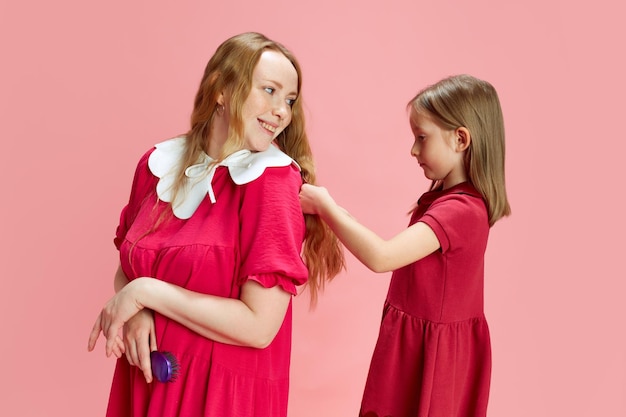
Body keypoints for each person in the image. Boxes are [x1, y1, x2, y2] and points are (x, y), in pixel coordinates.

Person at [87, 32, 344, 417]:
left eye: (289, 100)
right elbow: (130, 266)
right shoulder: (157, 165)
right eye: (269, 91)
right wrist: (137, 309)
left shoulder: (272, 183)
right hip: (146, 383)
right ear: (221, 90)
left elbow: (259, 327)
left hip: (220, 397)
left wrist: (146, 294)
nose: (281, 111)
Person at [299, 74, 511, 417]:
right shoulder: (446, 201)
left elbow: (383, 257)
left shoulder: (462, 211)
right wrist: (330, 209)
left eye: (422, 138)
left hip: (433, 359)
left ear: (460, 139)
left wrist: (325, 207)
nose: (413, 150)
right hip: (414, 348)